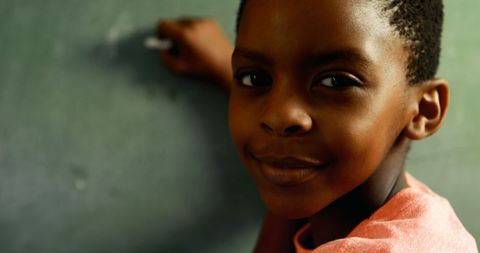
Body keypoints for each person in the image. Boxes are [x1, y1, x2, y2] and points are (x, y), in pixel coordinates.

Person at [156, 0, 478, 252]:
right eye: (255, 78)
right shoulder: (408, 210)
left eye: (335, 81)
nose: (278, 117)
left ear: (423, 111)